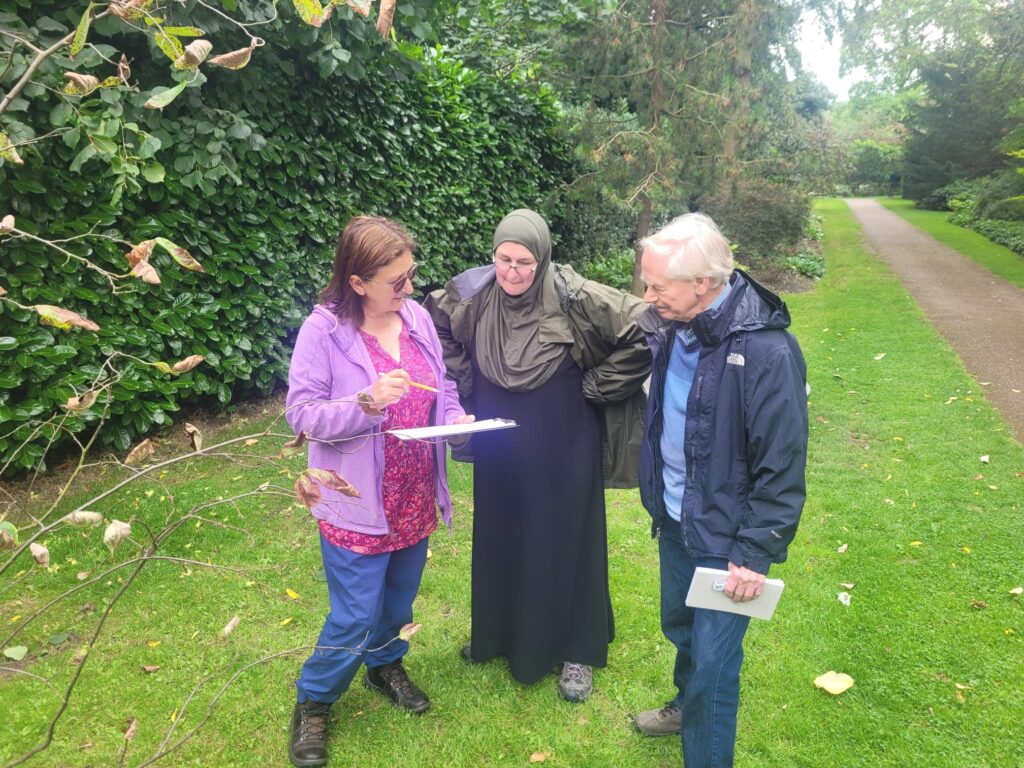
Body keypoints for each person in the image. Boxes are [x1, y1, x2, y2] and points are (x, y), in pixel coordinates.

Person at [424, 209, 650, 702]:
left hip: (563, 438)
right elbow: (435, 324)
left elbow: (644, 329)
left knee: (565, 538)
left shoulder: (576, 294)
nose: (511, 272)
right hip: (501, 444)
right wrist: (465, 382)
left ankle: (577, 650)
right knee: (504, 531)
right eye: (503, 259)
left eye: (524, 262)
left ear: (543, 258)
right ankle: (500, 633)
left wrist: (598, 384)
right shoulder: (473, 294)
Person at [285, 216, 473, 768]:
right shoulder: (323, 331)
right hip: (355, 498)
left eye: (410, 275)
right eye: (397, 280)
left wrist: (457, 418)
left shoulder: (413, 316)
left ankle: (385, 663)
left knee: (396, 600)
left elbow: (443, 384)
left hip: (414, 493)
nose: (410, 288)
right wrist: (366, 402)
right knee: (353, 614)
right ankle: (314, 700)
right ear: (358, 282)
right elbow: (301, 415)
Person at [632, 213, 808, 767]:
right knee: (681, 629)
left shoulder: (768, 353)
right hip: (678, 519)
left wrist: (754, 554)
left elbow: (782, 464)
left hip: (729, 540)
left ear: (703, 284)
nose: (647, 293)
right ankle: (685, 705)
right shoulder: (673, 326)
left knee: (714, 661)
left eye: (658, 284)